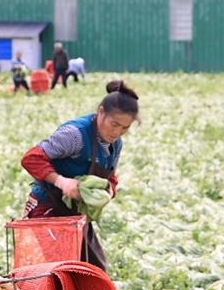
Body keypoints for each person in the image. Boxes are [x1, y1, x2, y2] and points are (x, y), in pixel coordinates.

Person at [20, 80, 139, 271]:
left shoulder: (115, 144)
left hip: (76, 214)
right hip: (48, 207)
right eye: (114, 124)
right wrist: (61, 181)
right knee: (59, 271)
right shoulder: (74, 135)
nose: (118, 132)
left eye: (125, 128)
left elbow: (111, 176)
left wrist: (109, 190)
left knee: (93, 270)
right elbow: (31, 158)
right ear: (101, 112)